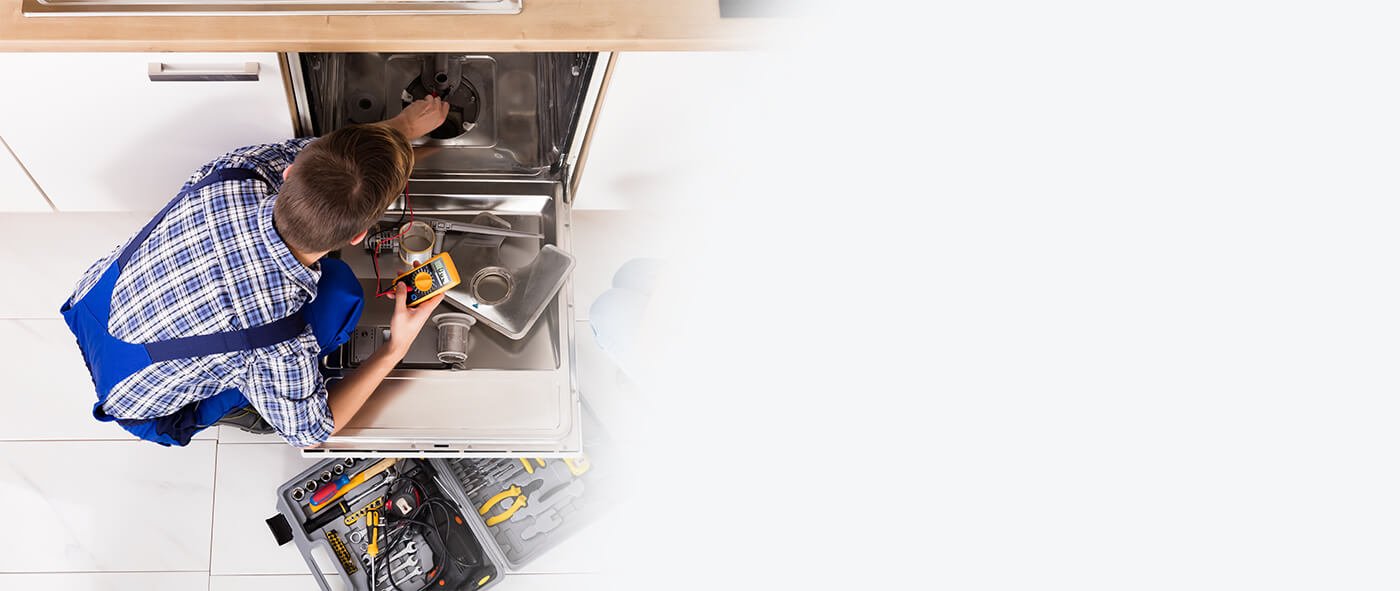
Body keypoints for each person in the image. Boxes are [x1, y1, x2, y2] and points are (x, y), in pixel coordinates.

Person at [60, 97, 452, 448]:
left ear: (289, 174)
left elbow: (316, 155)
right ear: (360, 237)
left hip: (93, 300)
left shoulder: (237, 172)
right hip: (138, 400)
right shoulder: (276, 338)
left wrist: (401, 126)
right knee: (341, 297)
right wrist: (395, 347)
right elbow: (313, 432)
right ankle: (247, 406)